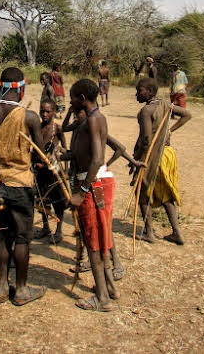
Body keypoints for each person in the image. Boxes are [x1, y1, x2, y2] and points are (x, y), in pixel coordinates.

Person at [0, 67, 47, 306]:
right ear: (21, 89)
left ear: (1, 86)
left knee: (1, 235)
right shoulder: (30, 117)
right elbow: (41, 156)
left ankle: (3, 287)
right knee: (23, 237)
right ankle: (22, 290)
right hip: (20, 184)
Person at [62, 106, 144, 281]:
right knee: (90, 225)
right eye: (75, 113)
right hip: (82, 180)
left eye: (79, 111)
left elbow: (119, 147)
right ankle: (96, 262)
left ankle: (116, 264)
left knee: (102, 224)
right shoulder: (80, 129)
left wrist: (105, 165)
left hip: (94, 183)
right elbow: (65, 130)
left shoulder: (93, 128)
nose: (76, 116)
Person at [68, 78, 117, 312]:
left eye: (72, 97)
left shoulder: (94, 120)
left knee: (94, 243)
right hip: (93, 182)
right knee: (98, 237)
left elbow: (97, 159)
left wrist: (81, 192)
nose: (70, 101)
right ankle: (109, 288)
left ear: (82, 99)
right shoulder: (89, 120)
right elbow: (83, 154)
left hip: (92, 184)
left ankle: (102, 298)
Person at [132, 77, 191, 245]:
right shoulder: (165, 105)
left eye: (139, 91)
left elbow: (146, 140)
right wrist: (169, 132)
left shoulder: (146, 112)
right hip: (167, 155)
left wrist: (137, 160)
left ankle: (149, 232)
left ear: (149, 92)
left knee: (142, 192)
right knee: (165, 194)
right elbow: (187, 115)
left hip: (153, 156)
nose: (136, 94)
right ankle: (177, 232)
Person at [33, 98, 67, 244]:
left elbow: (65, 149)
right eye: (42, 111)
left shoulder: (57, 129)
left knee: (58, 201)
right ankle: (45, 227)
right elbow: (33, 148)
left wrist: (65, 169)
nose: (44, 114)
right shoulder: (37, 128)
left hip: (54, 171)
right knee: (42, 200)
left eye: (48, 111)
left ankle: (59, 230)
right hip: (40, 171)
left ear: (54, 112)